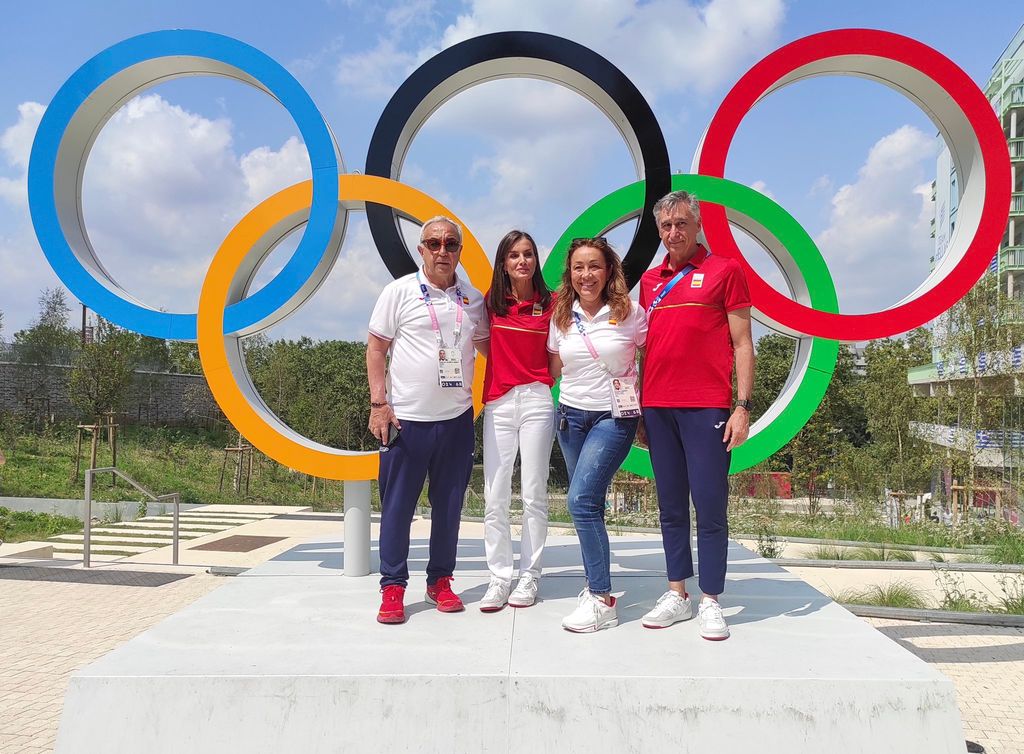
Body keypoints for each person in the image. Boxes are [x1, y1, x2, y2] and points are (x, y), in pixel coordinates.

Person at [637, 190, 754, 641]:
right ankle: (677, 593)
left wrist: (741, 407)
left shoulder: (725, 271)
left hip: (707, 405)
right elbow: (645, 349)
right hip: (658, 407)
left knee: (709, 505)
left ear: (698, 224)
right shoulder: (649, 282)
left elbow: (743, 344)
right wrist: (641, 409)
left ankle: (710, 599)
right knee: (669, 507)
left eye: (681, 223)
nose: (673, 232)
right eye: (666, 226)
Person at [367, 216, 490, 625]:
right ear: (421, 249)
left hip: (456, 420)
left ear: (459, 251)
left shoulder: (472, 299)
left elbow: (493, 347)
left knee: (450, 509)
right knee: (398, 509)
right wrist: (379, 404)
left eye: (450, 243)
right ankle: (393, 586)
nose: (442, 250)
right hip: (405, 422)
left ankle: (439, 580)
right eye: (433, 243)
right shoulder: (398, 292)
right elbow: (376, 347)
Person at [547, 237, 647, 632]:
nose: (586, 275)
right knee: (589, 504)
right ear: (569, 274)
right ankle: (595, 584)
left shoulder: (631, 313)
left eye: (594, 266)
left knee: (581, 500)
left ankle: (602, 598)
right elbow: (555, 369)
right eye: (578, 267)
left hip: (614, 417)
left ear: (609, 272)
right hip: (571, 418)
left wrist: (649, 414)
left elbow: (652, 357)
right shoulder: (561, 316)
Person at [478, 230, 556, 612]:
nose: (522, 261)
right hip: (499, 403)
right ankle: (498, 577)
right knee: (495, 496)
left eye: (528, 254)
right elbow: (481, 343)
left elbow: (559, 354)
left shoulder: (553, 303)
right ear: (503, 263)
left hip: (538, 400)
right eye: (514, 256)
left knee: (533, 494)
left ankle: (530, 575)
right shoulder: (490, 304)